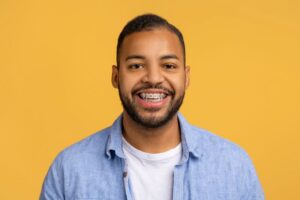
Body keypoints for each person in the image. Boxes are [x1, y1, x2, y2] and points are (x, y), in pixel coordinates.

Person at [40, 14, 264, 200]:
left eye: (168, 65)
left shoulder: (234, 167)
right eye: (136, 65)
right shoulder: (69, 171)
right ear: (116, 77)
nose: (154, 78)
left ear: (186, 78)